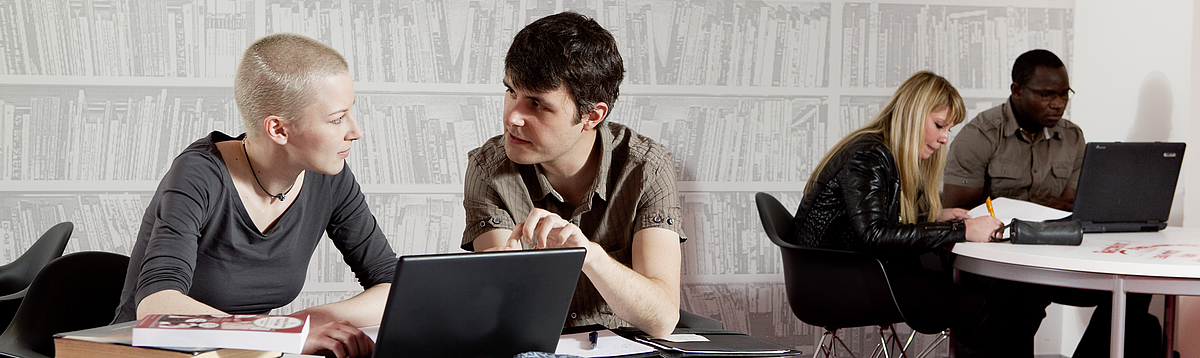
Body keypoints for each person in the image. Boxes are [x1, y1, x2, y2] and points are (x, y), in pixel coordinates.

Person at [114, 33, 397, 358]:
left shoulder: (329, 177)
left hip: (244, 352)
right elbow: (156, 305)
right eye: (337, 119)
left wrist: (306, 323)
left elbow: (392, 285)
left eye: (350, 112)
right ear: (278, 129)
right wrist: (282, 334)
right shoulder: (199, 173)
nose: (356, 132)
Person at [461, 12, 684, 338]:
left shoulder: (647, 168)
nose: (512, 117)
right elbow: (506, 311)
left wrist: (590, 256)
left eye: (537, 104)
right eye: (511, 92)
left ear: (591, 116)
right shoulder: (489, 168)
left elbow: (662, 319)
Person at [943, 49, 1162, 357]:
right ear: (1017, 90)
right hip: (996, 262)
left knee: (1134, 289)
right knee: (1022, 297)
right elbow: (960, 217)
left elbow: (1073, 206)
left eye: (1063, 94)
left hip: (1053, 257)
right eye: (1046, 94)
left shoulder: (1072, 138)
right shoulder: (979, 136)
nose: (1058, 103)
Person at [785, 71, 1011, 357]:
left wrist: (934, 216)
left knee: (991, 292)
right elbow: (875, 235)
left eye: (948, 129)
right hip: (838, 281)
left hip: (856, 269)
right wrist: (962, 231)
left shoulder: (880, 150)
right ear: (913, 114)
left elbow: (876, 221)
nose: (944, 138)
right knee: (978, 306)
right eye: (939, 125)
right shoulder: (868, 156)